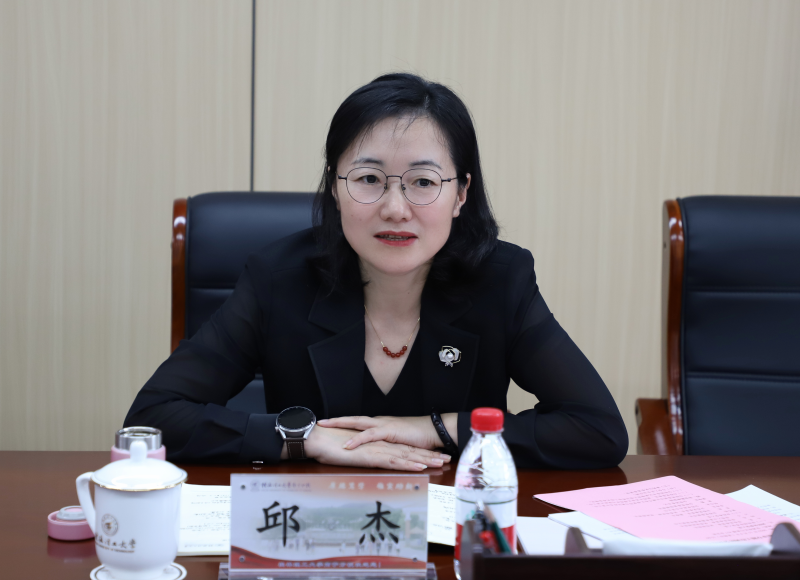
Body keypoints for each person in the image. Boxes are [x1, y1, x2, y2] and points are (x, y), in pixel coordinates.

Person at [124, 73, 628, 470]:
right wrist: (304, 438)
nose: (394, 208)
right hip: (314, 532)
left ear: (461, 194)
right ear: (335, 186)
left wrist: (437, 428)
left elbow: (597, 430)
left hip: (449, 532)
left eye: (423, 181)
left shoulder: (502, 279)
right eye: (369, 178)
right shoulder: (277, 278)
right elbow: (151, 420)